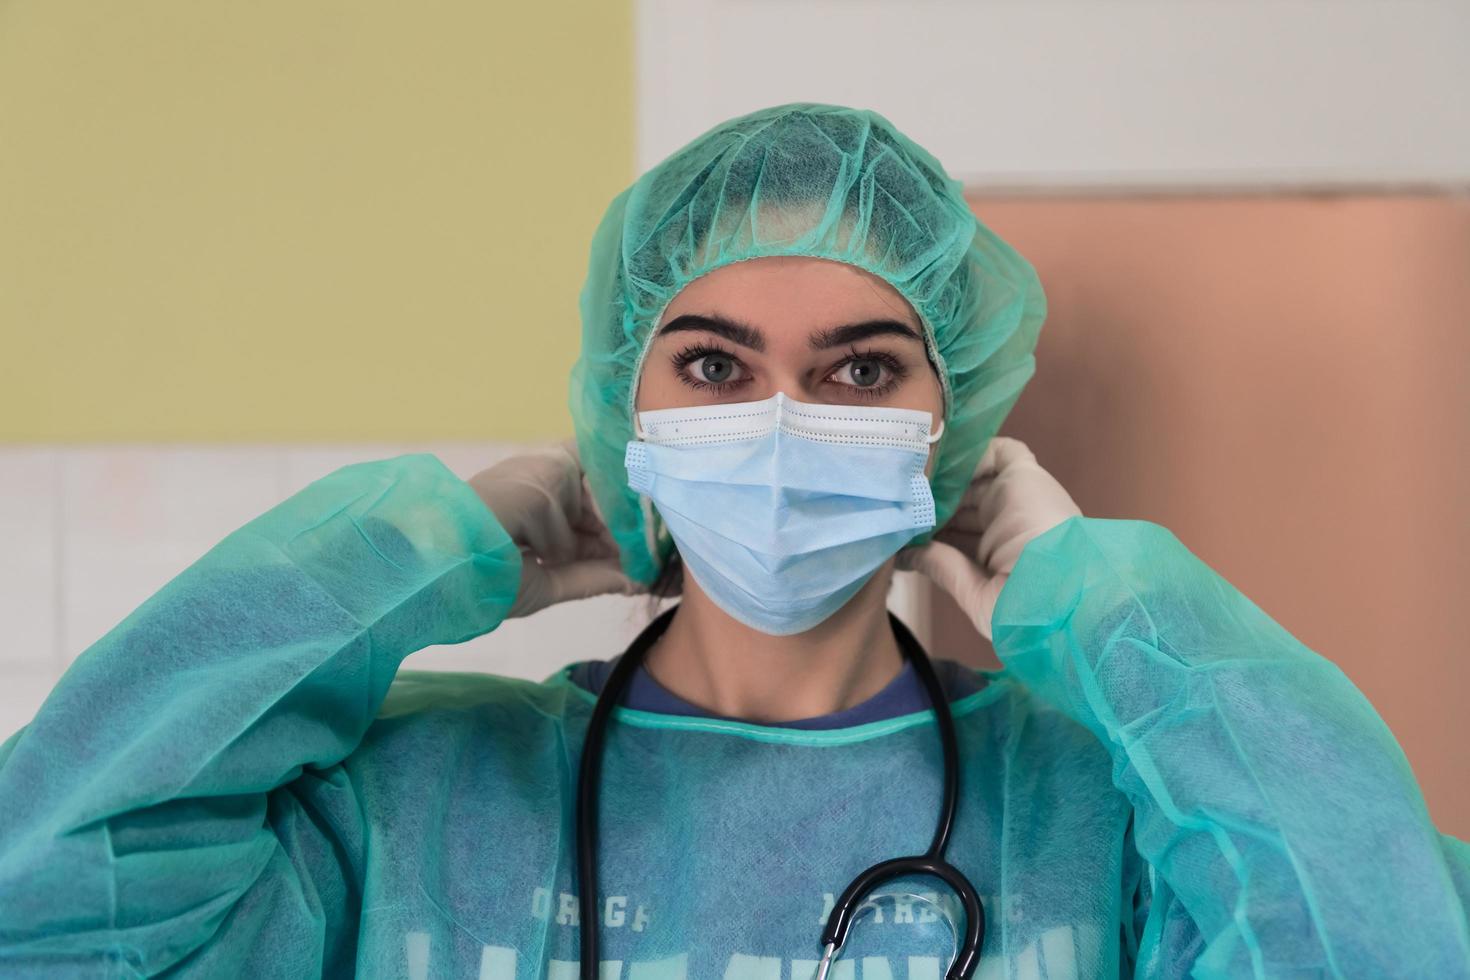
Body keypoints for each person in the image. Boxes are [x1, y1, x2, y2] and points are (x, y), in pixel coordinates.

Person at [0, 102, 1465, 979]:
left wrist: (1111, 611)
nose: (779, 417)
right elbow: (44, 909)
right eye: (709, 365)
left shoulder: (1097, 810)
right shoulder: (407, 802)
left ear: (947, 433)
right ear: (617, 409)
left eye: (859, 370)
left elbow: (1384, 949)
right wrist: (418, 554)